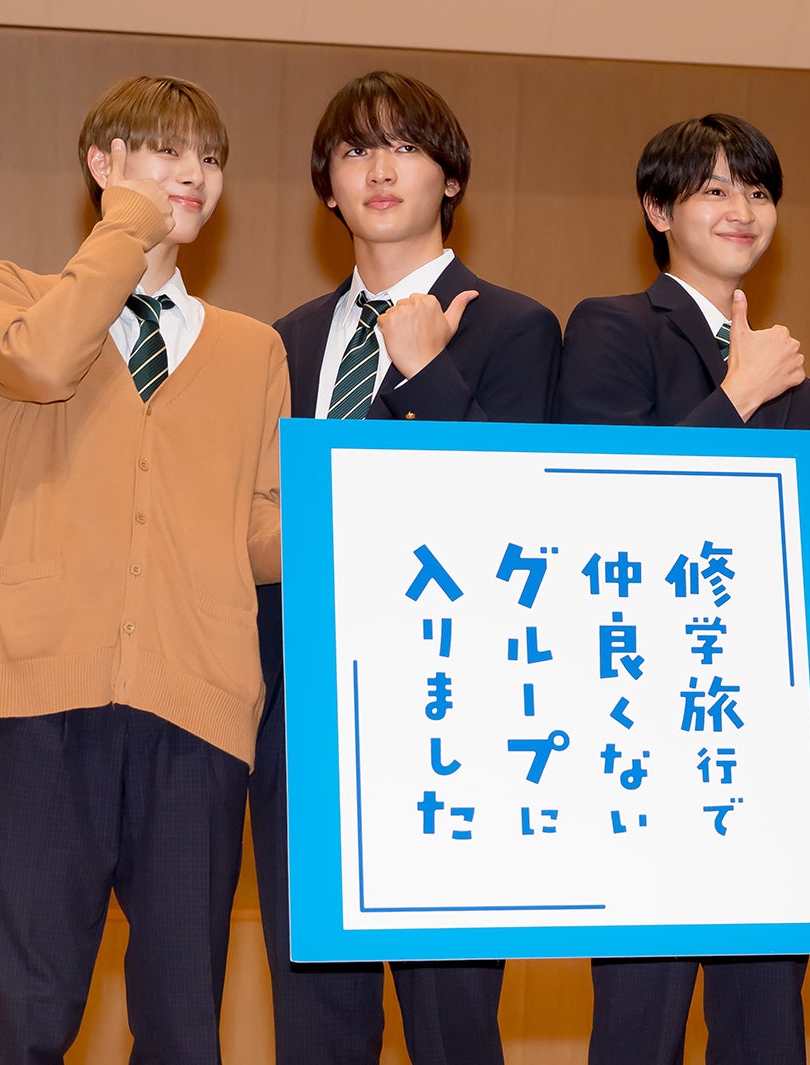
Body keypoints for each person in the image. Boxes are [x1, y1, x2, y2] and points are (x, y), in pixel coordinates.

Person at [0, 74, 286, 1063]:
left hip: (199, 711)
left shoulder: (252, 349)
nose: (194, 174)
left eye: (210, 158)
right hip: (41, 700)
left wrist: (365, 510)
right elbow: (45, 364)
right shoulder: (12, 298)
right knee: (28, 1011)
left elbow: (260, 532)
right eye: (165, 150)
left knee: (183, 1022)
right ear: (103, 163)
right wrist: (128, 228)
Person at [251, 69, 561, 1065]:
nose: (379, 169)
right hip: (302, 712)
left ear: (450, 177)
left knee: (452, 1026)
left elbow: (516, 520)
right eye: (355, 151)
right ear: (328, 187)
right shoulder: (286, 341)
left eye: (405, 147)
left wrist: (427, 372)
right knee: (314, 1027)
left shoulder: (515, 326)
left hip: (448, 714)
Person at [556, 112, 810, 1065]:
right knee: (641, 1018)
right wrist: (740, 396)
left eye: (758, 190)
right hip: (646, 723)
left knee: (767, 1021)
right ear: (658, 209)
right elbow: (606, 506)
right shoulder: (611, 327)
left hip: (769, 732)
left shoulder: (797, 376)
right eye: (714, 189)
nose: (742, 208)